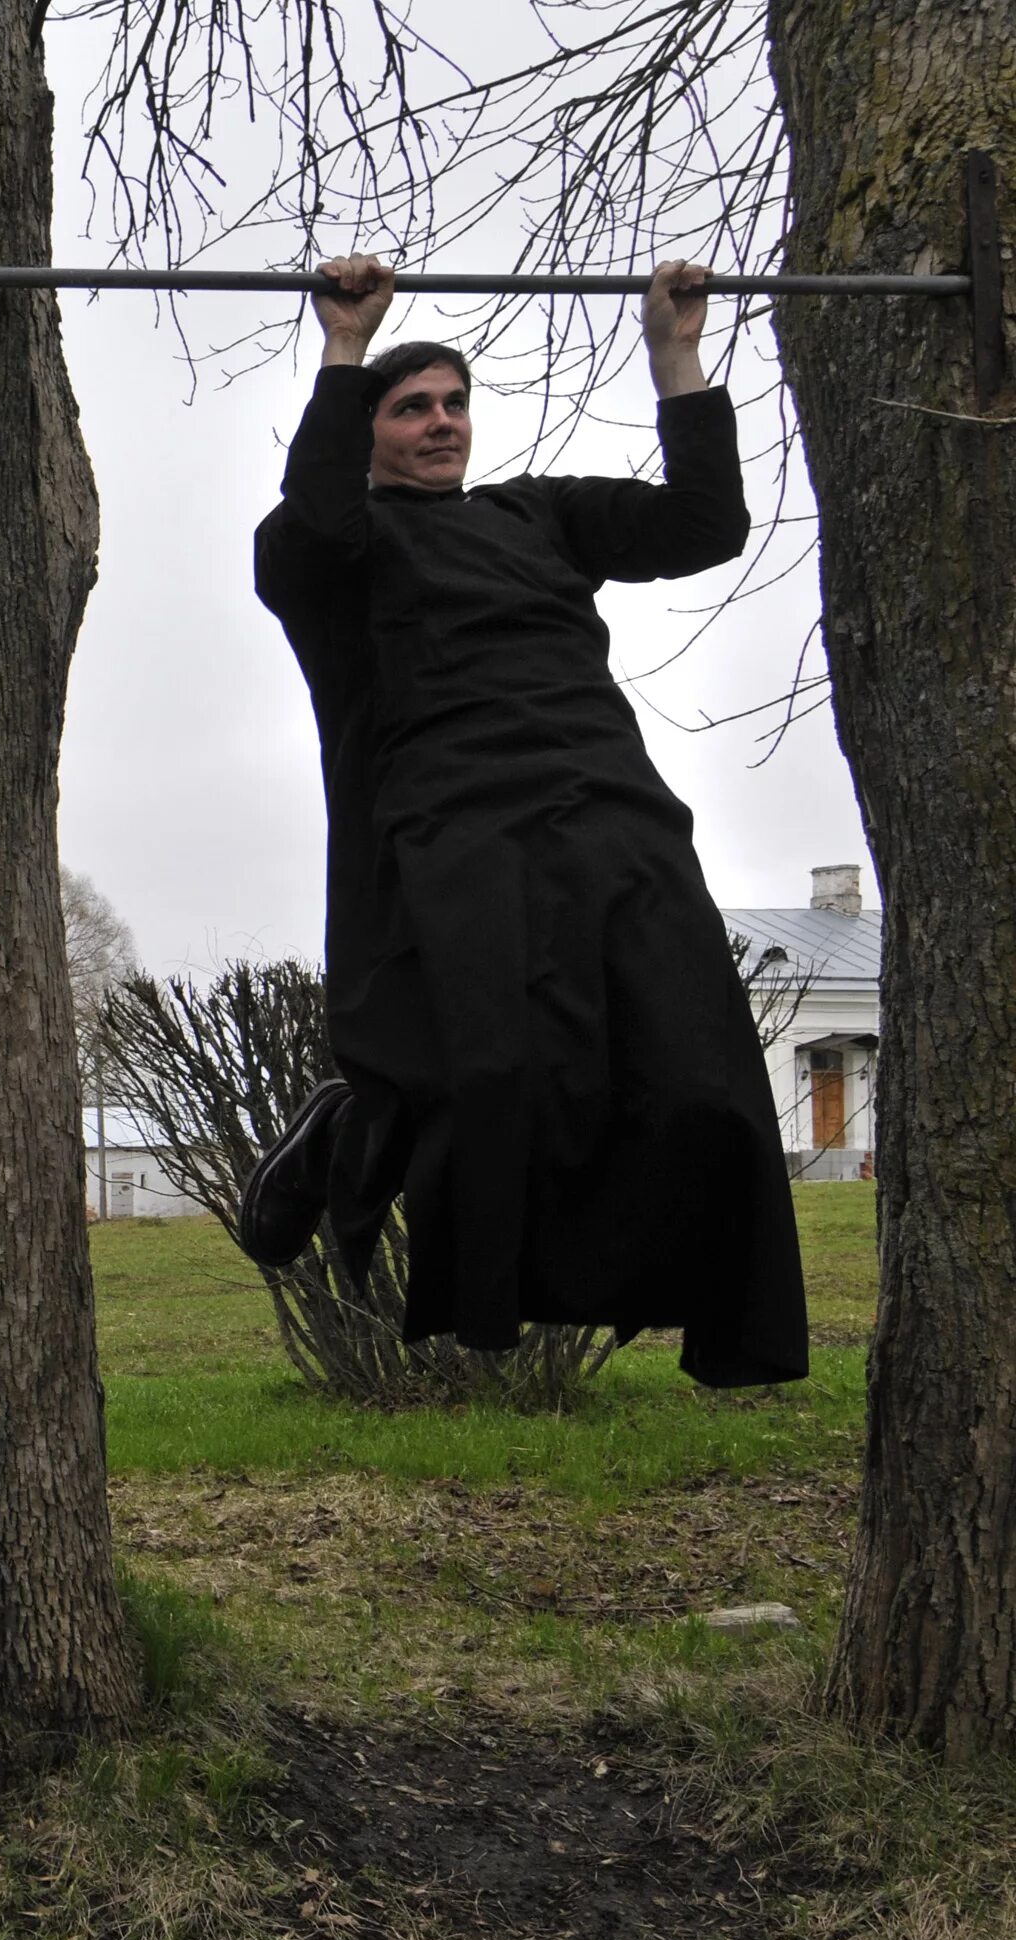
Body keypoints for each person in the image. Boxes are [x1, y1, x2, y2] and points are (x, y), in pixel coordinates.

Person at [244, 254, 809, 1388]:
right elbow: (315, 519)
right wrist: (346, 347)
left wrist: (676, 355)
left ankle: (719, 1315)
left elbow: (703, 523)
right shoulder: (329, 552)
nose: (442, 423)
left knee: (696, 1079)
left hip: (613, 812)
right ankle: (352, 1132)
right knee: (492, 1090)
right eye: (412, 409)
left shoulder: (538, 512)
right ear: (365, 430)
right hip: (453, 833)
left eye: (455, 404)